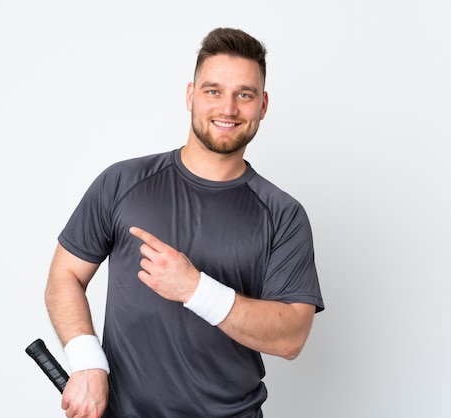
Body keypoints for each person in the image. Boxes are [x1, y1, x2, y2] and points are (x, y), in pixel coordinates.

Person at [44, 27, 324, 418]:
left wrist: (196, 289)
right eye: (213, 91)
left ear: (262, 105)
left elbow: (292, 337)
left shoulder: (283, 215)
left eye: (244, 95)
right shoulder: (122, 183)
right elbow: (64, 277)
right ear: (191, 96)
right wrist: (87, 361)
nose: (228, 108)